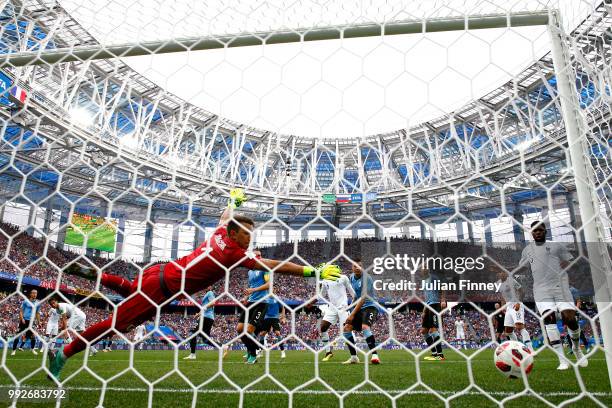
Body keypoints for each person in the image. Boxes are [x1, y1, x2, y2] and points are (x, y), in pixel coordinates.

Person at [48, 188, 341, 380]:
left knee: (130, 292)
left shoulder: (220, 234)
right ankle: (64, 354)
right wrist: (312, 272)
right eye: (248, 235)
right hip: (162, 288)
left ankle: (96, 275)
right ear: (236, 234)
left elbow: (225, 216)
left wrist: (233, 202)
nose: (251, 239)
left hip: (159, 272)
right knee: (116, 325)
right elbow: (274, 266)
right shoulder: (233, 253)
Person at [518, 221, 587, 370]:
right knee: (549, 320)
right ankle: (562, 359)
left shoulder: (557, 247)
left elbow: (573, 263)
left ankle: (576, 349)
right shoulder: (527, 250)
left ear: (545, 232)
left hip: (560, 287)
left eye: (540, 230)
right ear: (531, 233)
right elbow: (522, 268)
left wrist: (567, 264)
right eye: (534, 231)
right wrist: (505, 270)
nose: (537, 232)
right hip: (541, 290)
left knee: (569, 318)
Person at [342, 258, 380, 365]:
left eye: (359, 266)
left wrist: (352, 313)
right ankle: (354, 357)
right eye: (355, 266)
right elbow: (356, 296)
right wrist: (350, 309)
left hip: (370, 306)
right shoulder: (351, 278)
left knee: (365, 327)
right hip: (359, 308)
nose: (357, 268)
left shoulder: (366, 278)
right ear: (352, 267)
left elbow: (363, 299)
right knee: (346, 328)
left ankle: (374, 355)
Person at [319, 263, 355, 361]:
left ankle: (353, 356)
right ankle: (328, 352)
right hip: (332, 308)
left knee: (347, 329)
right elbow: (322, 295)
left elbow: (352, 292)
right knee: (323, 327)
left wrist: (355, 304)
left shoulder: (343, 278)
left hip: (343, 307)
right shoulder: (325, 281)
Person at [496, 268, 534, 352]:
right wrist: (503, 306)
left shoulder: (511, 281)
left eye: (504, 272)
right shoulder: (498, 283)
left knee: (520, 327)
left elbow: (522, 291)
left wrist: (519, 303)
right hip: (509, 307)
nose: (502, 274)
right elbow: (502, 296)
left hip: (516, 305)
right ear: (498, 274)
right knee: (508, 331)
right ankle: (517, 348)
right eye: (500, 272)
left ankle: (531, 350)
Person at [420, 264, 446, 361]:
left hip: (435, 305)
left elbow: (443, 287)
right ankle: (434, 354)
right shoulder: (424, 281)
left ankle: (440, 355)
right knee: (424, 331)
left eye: (426, 267)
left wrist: (443, 300)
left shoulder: (433, 278)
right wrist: (424, 311)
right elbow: (427, 298)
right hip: (428, 306)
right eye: (423, 267)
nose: (424, 269)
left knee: (434, 329)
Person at [184, 289, 216, 360]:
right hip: (208, 317)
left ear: (210, 287)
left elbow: (213, 302)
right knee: (205, 340)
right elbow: (204, 309)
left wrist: (205, 307)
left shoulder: (210, 293)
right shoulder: (206, 294)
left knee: (192, 333)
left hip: (206, 318)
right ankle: (223, 346)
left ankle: (192, 355)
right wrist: (198, 314)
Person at [11, 289, 40, 356]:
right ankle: (14, 350)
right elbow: (21, 311)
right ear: (30, 294)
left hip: (31, 321)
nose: (35, 294)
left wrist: (39, 321)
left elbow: (37, 313)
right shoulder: (25, 301)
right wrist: (22, 318)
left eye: (36, 293)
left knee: (32, 336)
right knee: (18, 335)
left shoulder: (37, 303)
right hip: (23, 321)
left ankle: (32, 349)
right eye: (33, 293)